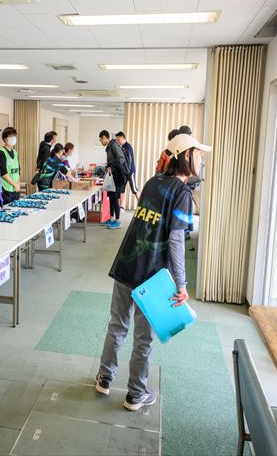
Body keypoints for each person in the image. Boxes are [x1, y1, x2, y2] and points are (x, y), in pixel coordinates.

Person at [94, 132, 212, 411]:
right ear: (186, 156)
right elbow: (176, 241)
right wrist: (182, 284)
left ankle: (104, 378)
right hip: (152, 275)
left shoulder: (152, 182)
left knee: (117, 325)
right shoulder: (182, 194)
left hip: (127, 263)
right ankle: (136, 394)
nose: (200, 160)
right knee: (143, 337)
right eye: (197, 154)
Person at [98, 130, 129, 229]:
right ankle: (111, 218)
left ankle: (118, 221)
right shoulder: (109, 147)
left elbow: (121, 158)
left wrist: (113, 168)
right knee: (111, 197)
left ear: (104, 137)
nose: (101, 142)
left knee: (115, 198)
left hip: (117, 176)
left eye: (101, 140)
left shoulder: (114, 145)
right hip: (112, 176)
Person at [115, 131, 140, 207]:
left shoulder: (127, 147)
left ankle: (142, 206)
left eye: (118, 139)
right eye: (116, 140)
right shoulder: (122, 147)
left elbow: (127, 162)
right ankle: (121, 207)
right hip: (124, 172)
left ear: (122, 138)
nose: (117, 141)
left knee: (134, 190)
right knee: (121, 190)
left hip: (130, 172)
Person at [0, 126, 21, 204]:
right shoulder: (1, 152)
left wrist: (18, 183)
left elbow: (18, 170)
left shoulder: (15, 152)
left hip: (15, 189)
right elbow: (3, 173)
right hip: (6, 189)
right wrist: (14, 184)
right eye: (10, 136)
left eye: (14, 136)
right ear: (5, 139)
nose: (13, 138)